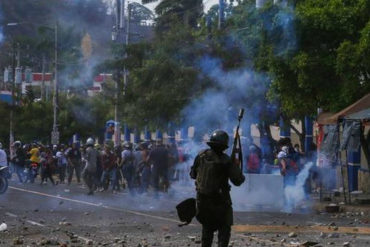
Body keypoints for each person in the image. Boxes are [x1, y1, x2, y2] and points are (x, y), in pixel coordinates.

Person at [190, 130, 245, 247]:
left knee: (207, 231)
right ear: (224, 146)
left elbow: (193, 175)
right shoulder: (226, 160)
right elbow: (238, 181)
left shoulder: (201, 155)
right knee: (224, 231)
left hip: (202, 202)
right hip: (221, 202)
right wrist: (236, 166)